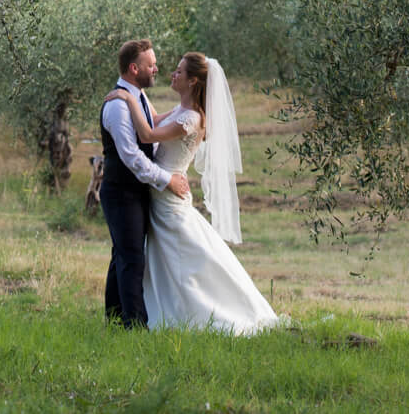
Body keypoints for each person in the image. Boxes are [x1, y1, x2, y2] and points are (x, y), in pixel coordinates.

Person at [105, 51, 280, 335]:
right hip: (162, 193)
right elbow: (155, 116)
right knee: (169, 256)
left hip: (168, 196)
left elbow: (148, 133)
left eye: (179, 72)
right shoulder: (181, 111)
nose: (172, 74)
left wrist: (126, 98)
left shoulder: (192, 119)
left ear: (193, 81)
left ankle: (199, 310)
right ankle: (159, 310)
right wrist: (133, 92)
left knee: (185, 255)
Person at [98, 39, 190, 328]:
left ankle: (114, 320)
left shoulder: (135, 97)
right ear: (134, 68)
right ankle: (134, 327)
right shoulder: (117, 106)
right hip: (121, 192)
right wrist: (167, 181)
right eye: (151, 65)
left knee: (123, 256)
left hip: (137, 192)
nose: (156, 69)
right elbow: (131, 157)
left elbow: (153, 127)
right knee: (132, 259)